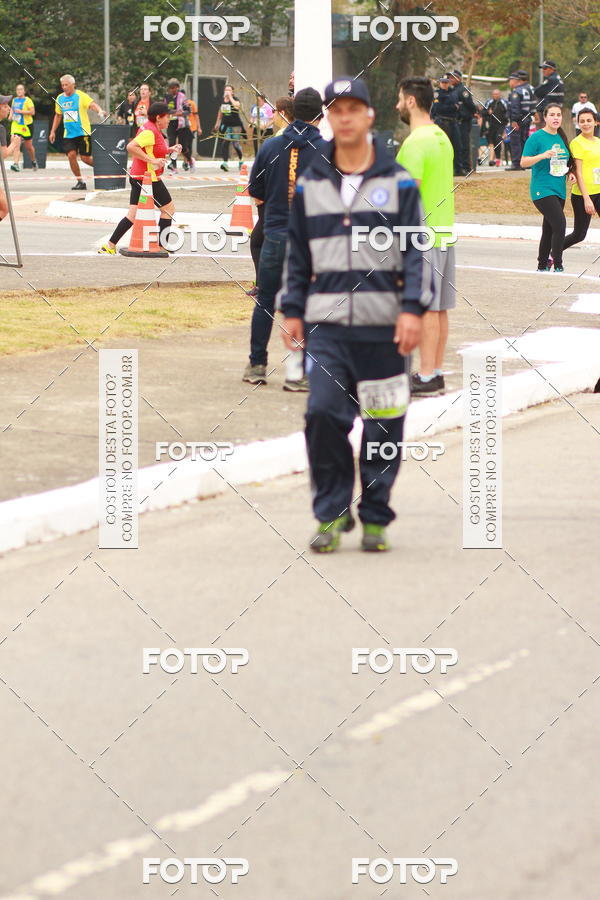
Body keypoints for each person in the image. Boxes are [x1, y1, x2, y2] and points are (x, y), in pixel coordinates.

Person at [278, 77, 426, 553]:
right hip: (327, 328)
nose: (343, 116)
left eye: (352, 108)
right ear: (328, 118)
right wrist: (293, 310)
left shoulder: (397, 181)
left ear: (369, 116)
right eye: (335, 109)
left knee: (385, 425)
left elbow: (415, 253)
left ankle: (376, 516)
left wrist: (412, 311)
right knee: (322, 414)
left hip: (385, 328)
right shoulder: (312, 182)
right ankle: (332, 511)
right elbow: (298, 254)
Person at [244, 87, 327, 390]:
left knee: (265, 300)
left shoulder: (269, 147)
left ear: (290, 113)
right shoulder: (328, 151)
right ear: (322, 114)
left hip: (276, 235)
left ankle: (256, 364)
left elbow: (256, 191)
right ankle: (298, 373)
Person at [397, 76, 456, 397]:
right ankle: (435, 372)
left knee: (427, 308)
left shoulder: (415, 142)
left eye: (399, 98)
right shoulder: (442, 137)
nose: (396, 105)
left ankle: (425, 373)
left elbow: (407, 195)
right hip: (444, 231)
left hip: (422, 235)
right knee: (440, 307)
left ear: (410, 101)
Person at [97, 102, 180, 254]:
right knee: (168, 209)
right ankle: (162, 247)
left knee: (132, 214)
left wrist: (169, 150)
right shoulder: (150, 131)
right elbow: (131, 147)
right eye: (167, 117)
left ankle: (109, 246)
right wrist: (152, 161)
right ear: (158, 117)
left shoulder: (152, 128)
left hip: (138, 176)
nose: (169, 120)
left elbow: (152, 149)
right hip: (147, 178)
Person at [521, 103, 572, 273]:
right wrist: (543, 155)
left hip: (559, 189)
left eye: (558, 115)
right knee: (560, 224)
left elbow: (566, 161)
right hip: (541, 189)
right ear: (545, 117)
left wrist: (570, 172)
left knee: (549, 229)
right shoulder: (536, 137)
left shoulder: (562, 137)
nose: (556, 118)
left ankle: (542, 265)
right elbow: (523, 162)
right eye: (552, 115)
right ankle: (557, 264)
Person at [50, 74, 105, 190]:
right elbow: (58, 115)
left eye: (67, 85)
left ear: (73, 85)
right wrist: (52, 131)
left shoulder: (80, 96)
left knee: (85, 158)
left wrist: (99, 111)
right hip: (69, 134)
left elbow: (92, 105)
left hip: (83, 132)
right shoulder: (60, 98)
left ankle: (105, 169)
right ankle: (80, 181)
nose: (64, 87)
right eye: (63, 85)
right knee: (71, 155)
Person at [563, 107, 600, 253]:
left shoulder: (598, 141)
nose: (586, 124)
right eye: (582, 121)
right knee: (579, 235)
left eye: (589, 120)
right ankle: (553, 252)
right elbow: (578, 172)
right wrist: (587, 199)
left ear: (596, 122)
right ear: (578, 123)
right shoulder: (576, 143)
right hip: (582, 195)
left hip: (599, 192)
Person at [432, 75, 462, 176]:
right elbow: (439, 108)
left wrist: (452, 107)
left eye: (446, 82)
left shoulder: (453, 93)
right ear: (440, 83)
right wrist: (452, 107)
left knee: (457, 145)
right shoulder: (437, 94)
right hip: (442, 122)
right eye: (443, 82)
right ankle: (443, 169)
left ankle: (457, 169)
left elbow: (458, 107)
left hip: (453, 121)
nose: (444, 84)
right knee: (443, 146)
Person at [449, 70, 478, 174]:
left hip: (463, 121)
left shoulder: (463, 89)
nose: (451, 79)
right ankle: (458, 166)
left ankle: (466, 167)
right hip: (455, 121)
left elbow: (469, 104)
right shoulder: (452, 90)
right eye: (450, 77)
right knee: (456, 145)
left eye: (453, 77)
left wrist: (471, 113)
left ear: (459, 78)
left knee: (464, 144)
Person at [0, 95, 22, 221]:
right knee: (4, 208)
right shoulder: (1, 129)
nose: (8, 108)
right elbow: (3, 154)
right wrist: (14, 144)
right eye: (5, 106)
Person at [507, 71, 533, 171]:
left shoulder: (516, 92)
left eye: (510, 80)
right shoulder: (526, 90)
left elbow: (515, 107)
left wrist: (514, 120)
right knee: (523, 141)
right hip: (525, 119)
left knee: (515, 142)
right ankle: (524, 162)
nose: (510, 82)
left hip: (518, 121)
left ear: (515, 80)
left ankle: (516, 163)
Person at [214, 84, 244, 172]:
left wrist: (230, 97)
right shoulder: (223, 100)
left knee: (235, 144)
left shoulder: (235, 99)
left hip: (236, 125)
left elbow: (236, 106)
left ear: (232, 91)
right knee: (225, 143)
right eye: (226, 90)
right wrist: (217, 123)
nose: (227, 91)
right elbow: (220, 111)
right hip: (226, 125)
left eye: (229, 90)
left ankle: (241, 160)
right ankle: (225, 163)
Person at [164, 78, 193, 171]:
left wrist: (179, 113)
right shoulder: (167, 97)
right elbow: (166, 109)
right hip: (171, 123)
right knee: (171, 144)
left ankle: (190, 160)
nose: (172, 90)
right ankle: (174, 166)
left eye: (174, 88)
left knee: (183, 146)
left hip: (181, 124)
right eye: (170, 88)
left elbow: (188, 111)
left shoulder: (183, 97)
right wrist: (174, 112)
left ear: (177, 87)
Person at [9, 84, 36, 171]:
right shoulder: (14, 100)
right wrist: (10, 116)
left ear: (24, 91)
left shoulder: (28, 100)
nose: (19, 91)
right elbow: (12, 109)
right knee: (16, 143)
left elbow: (32, 112)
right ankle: (16, 164)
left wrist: (22, 111)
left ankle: (33, 161)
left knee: (29, 146)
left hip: (27, 125)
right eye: (17, 90)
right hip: (16, 125)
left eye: (21, 89)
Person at [483, 89, 508, 166]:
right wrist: (488, 112)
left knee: (498, 139)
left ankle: (498, 158)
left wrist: (505, 122)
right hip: (491, 125)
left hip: (501, 125)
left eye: (497, 94)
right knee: (491, 142)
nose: (496, 96)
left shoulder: (504, 102)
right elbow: (483, 112)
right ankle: (492, 159)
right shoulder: (489, 102)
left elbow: (508, 112)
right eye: (494, 94)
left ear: (499, 94)